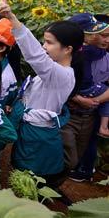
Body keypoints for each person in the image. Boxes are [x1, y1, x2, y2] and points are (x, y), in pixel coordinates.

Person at [0, 0, 84, 187]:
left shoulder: (61, 74)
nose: (44, 47)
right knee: (24, 172)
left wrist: (12, 19)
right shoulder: (54, 70)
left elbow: (36, 57)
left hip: (38, 134)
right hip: (32, 128)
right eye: (44, 41)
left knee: (30, 179)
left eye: (49, 42)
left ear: (68, 49)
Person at [61, 13, 109, 180]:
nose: (105, 39)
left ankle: (82, 170)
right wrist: (80, 98)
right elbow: (62, 85)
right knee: (67, 152)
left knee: (83, 148)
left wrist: (97, 100)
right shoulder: (70, 56)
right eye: (101, 35)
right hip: (68, 113)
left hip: (89, 114)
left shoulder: (102, 56)